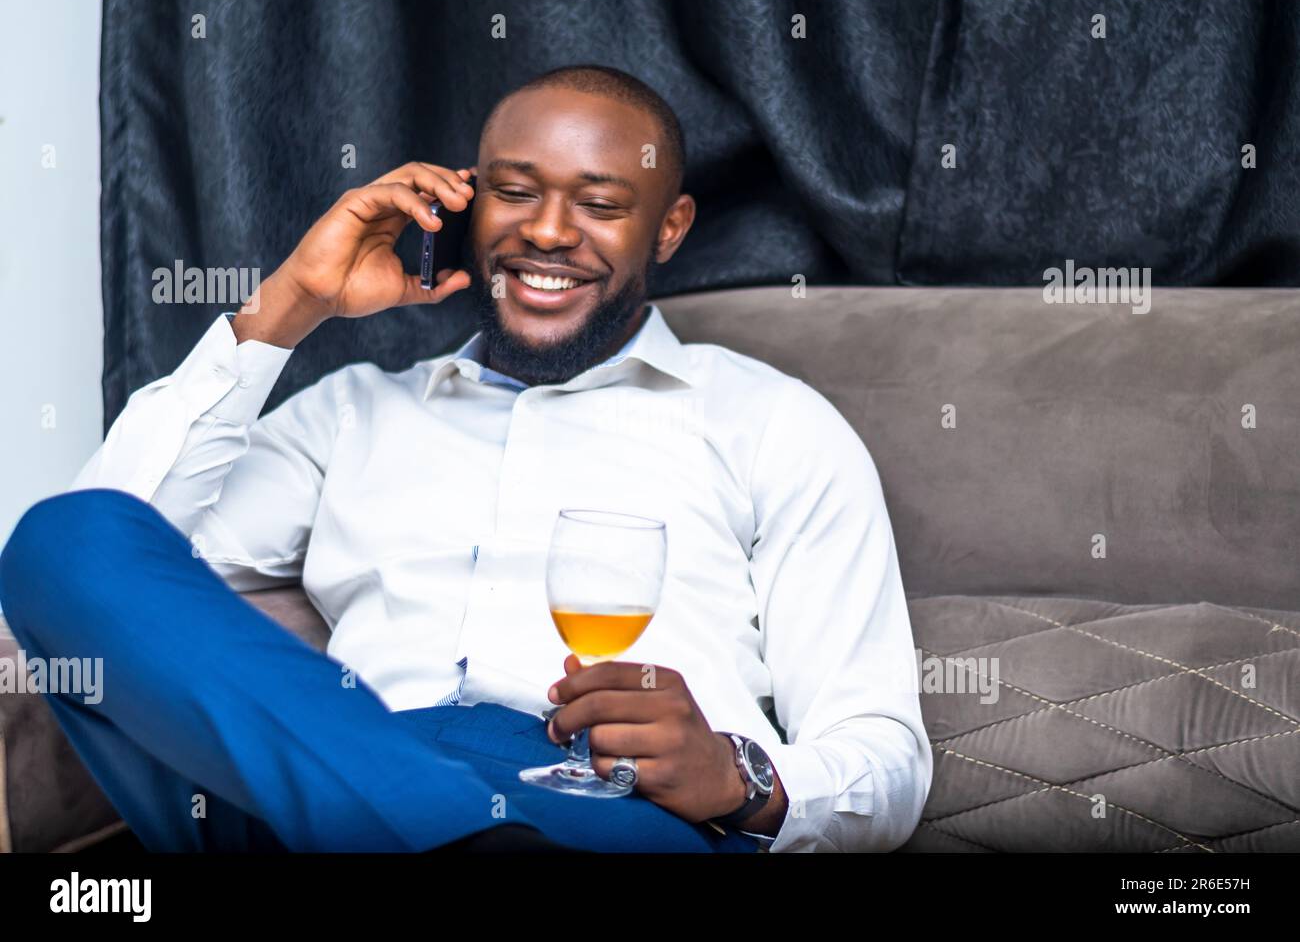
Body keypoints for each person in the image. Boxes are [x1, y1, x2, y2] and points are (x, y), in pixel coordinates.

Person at [0, 65, 931, 853]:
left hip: (592, 814)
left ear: (670, 228)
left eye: (602, 204)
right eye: (516, 192)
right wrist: (291, 303)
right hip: (331, 777)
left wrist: (741, 776)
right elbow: (111, 557)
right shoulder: (351, 414)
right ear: (465, 199)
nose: (551, 232)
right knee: (62, 537)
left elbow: (884, 754)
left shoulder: (771, 423)